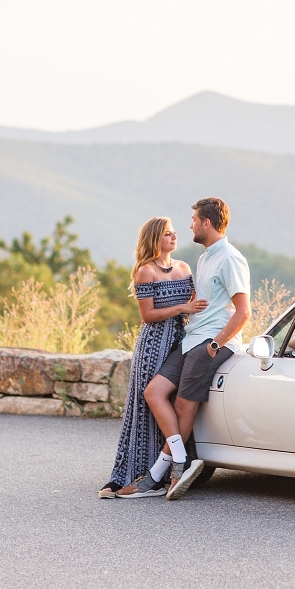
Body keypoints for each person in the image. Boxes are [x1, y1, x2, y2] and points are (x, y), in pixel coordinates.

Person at [143, 196, 250, 500]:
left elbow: (243, 312)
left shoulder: (230, 258)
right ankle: (179, 460)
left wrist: (216, 344)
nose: (188, 226)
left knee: (182, 405)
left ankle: (165, 473)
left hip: (210, 343)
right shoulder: (204, 258)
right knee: (153, 392)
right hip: (191, 339)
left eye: (192, 220)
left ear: (206, 223)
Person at [99, 217, 207, 499]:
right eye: (168, 234)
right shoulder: (145, 271)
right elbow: (147, 316)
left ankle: (167, 469)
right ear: (155, 239)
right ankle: (140, 473)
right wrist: (184, 306)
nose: (174, 237)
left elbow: (196, 304)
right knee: (146, 407)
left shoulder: (183, 267)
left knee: (172, 402)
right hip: (153, 346)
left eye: (174, 233)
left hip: (181, 341)